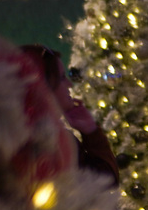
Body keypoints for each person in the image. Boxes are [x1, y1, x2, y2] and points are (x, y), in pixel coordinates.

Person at [20, 44, 120, 185]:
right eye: (62, 78)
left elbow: (106, 181)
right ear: (43, 86)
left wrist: (90, 131)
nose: (69, 85)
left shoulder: (58, 136)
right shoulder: (37, 144)